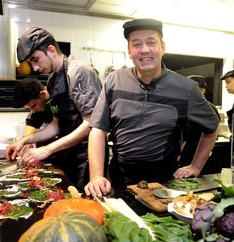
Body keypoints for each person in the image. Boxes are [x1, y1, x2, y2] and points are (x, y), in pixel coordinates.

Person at [84, 18, 220, 197]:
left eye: (151, 42)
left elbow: (213, 126)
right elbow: (98, 130)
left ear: (162, 47)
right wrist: (96, 177)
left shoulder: (186, 88)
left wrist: (195, 166)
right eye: (137, 44)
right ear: (129, 51)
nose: (145, 50)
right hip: (119, 178)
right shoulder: (113, 80)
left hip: (164, 182)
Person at [5, 27, 103, 191]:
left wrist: (47, 149)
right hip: (67, 152)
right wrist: (26, 140)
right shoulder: (52, 81)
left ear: (51, 49)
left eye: (35, 59)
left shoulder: (78, 72)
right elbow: (55, 125)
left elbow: (92, 124)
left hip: (86, 156)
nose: (35, 68)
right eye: (31, 62)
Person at [178, 75, 220, 168]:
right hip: (206, 154)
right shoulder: (212, 108)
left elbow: (185, 136)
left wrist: (178, 155)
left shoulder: (191, 108)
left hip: (190, 156)